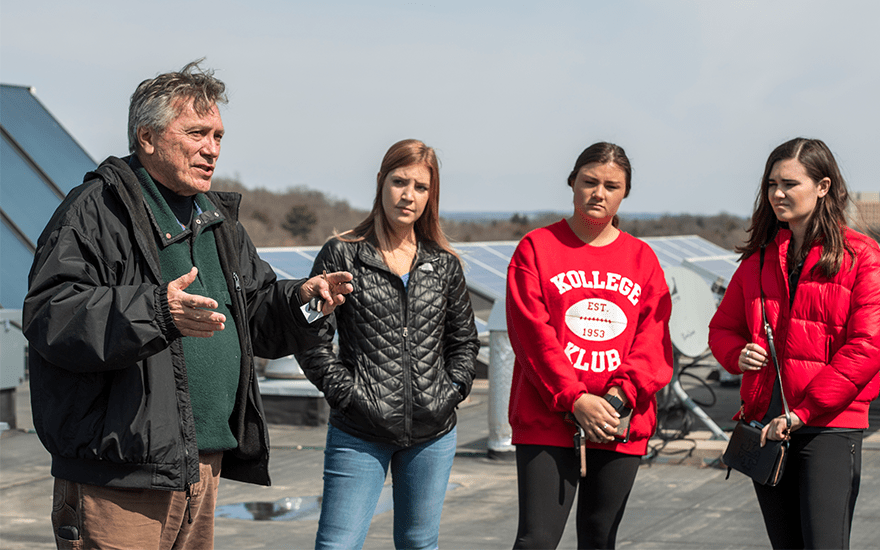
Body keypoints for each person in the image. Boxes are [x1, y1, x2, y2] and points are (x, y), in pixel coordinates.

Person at [22, 60, 353, 550]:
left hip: (202, 464)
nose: (211, 149)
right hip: (119, 476)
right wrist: (157, 311)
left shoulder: (217, 219)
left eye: (218, 136)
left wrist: (303, 301)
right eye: (197, 133)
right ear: (147, 137)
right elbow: (52, 313)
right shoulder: (94, 210)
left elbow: (255, 314)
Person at [294, 139, 480, 550]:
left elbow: (464, 341)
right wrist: (349, 395)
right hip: (359, 430)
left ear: (431, 195)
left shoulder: (442, 264)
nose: (408, 195)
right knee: (337, 544)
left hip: (433, 431)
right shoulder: (342, 254)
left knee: (419, 543)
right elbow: (311, 339)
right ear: (381, 182)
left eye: (420, 187)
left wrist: (448, 393)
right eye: (399, 182)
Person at [708, 137, 880, 549]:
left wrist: (803, 412)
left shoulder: (862, 257)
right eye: (771, 184)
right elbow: (721, 329)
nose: (777, 194)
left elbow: (867, 347)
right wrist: (738, 354)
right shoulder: (759, 260)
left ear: (823, 187)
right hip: (766, 426)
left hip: (829, 427)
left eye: (789, 183)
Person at [505, 142, 673, 549]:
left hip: (618, 422)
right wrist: (575, 399)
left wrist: (617, 399)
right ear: (572, 183)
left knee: (599, 539)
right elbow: (532, 335)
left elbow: (654, 339)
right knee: (536, 541)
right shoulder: (536, 248)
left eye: (611, 185)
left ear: (625, 193)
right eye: (590, 182)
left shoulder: (642, 258)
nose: (599, 193)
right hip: (549, 420)